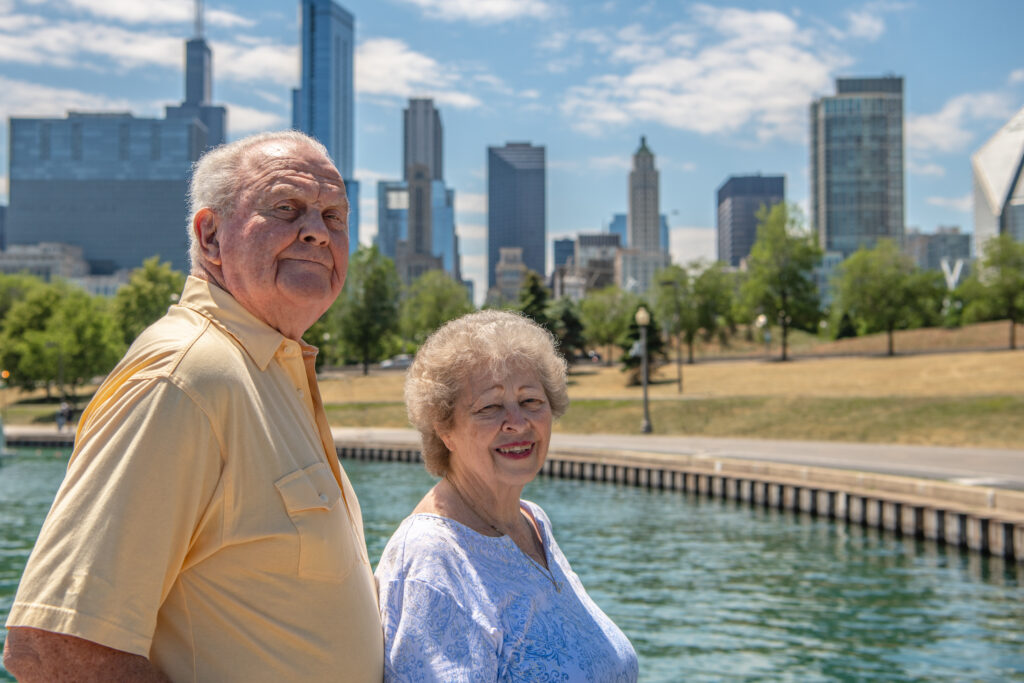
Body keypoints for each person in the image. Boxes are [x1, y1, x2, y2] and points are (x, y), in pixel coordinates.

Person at [3, 131, 383, 682]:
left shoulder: (267, 370)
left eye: (334, 217)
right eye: (286, 208)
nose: (317, 233)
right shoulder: (185, 378)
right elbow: (54, 646)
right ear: (210, 236)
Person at [375, 310, 639, 681]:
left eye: (531, 401)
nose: (517, 422)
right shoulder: (431, 560)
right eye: (489, 407)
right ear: (445, 430)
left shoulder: (533, 522)